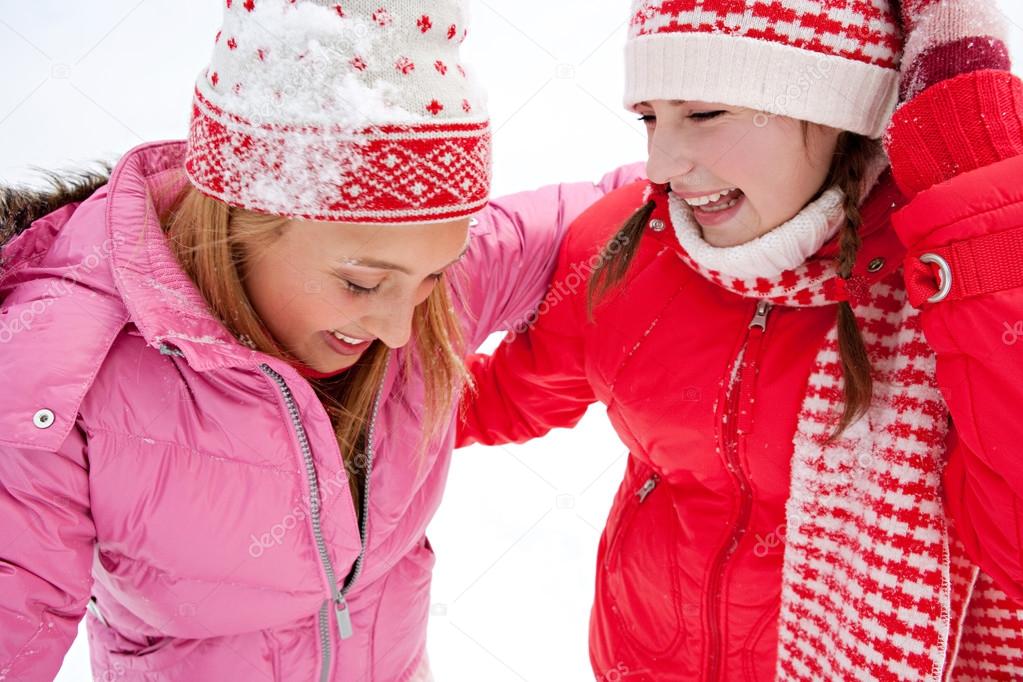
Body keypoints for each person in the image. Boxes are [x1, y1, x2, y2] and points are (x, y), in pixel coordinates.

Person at [0, 1, 641, 680]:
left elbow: (619, 211)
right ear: (240, 221)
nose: (398, 329)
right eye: (362, 284)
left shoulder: (424, 295)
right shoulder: (58, 365)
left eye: (432, 274)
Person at [458, 0, 1023, 679]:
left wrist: (986, 218)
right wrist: (345, 413)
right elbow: (508, 396)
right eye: (648, 118)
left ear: (839, 109)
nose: (661, 164)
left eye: (702, 114)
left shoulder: (945, 284)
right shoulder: (627, 244)